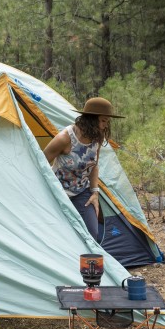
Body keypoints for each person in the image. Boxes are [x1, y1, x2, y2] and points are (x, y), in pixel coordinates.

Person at [43, 97, 124, 241]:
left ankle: (87, 264)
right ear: (92, 119)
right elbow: (41, 165)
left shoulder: (97, 138)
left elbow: (94, 166)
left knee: (92, 235)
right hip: (57, 193)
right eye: (104, 120)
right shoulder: (65, 138)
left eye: (107, 121)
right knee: (59, 236)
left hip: (82, 192)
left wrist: (95, 193)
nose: (106, 125)